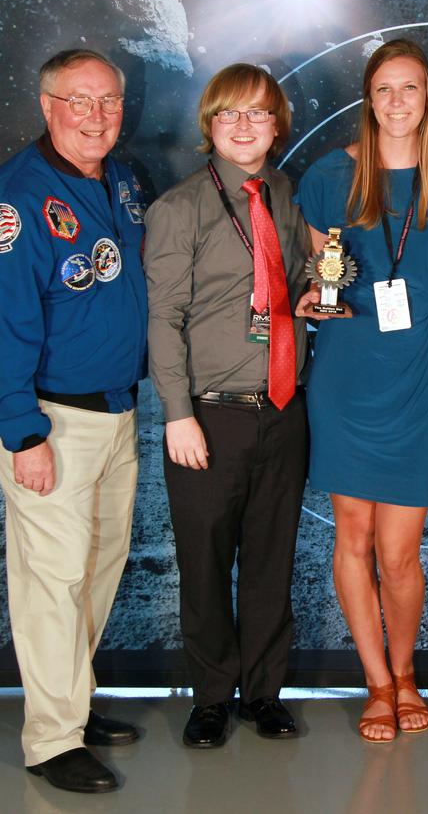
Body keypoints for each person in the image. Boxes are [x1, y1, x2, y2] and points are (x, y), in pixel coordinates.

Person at [0, 49, 147, 793]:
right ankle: (51, 737)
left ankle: (72, 698)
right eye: (78, 101)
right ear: (46, 105)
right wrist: (21, 432)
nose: (96, 116)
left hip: (114, 409)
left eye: (108, 102)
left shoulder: (121, 182)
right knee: (53, 578)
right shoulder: (13, 203)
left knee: (97, 567)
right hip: (47, 418)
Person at [294, 39, 428, 742]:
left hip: (420, 377)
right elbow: (320, 273)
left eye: (410, 88)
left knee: (401, 550)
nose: (397, 102)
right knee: (354, 534)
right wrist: (311, 296)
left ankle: (405, 672)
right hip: (346, 375)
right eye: (384, 90)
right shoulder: (325, 177)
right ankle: (375, 679)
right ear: (367, 101)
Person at [144, 65, 309, 749]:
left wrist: (310, 296)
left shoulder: (283, 192)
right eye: (229, 115)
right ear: (209, 125)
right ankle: (212, 695)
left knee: (272, 559)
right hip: (209, 416)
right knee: (206, 561)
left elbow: (290, 280)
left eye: (259, 114)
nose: (244, 127)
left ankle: (262, 694)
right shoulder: (180, 207)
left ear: (278, 125)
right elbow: (163, 318)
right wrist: (178, 413)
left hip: (282, 409)